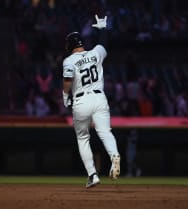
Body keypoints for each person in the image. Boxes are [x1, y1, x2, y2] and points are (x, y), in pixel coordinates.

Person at [62, 15, 121, 188]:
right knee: (105, 132)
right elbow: (105, 44)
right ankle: (114, 154)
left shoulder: (69, 60)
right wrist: (103, 29)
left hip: (81, 101)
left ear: (70, 45)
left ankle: (93, 175)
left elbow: (67, 81)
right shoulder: (95, 53)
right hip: (99, 97)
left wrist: (65, 96)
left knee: (83, 138)